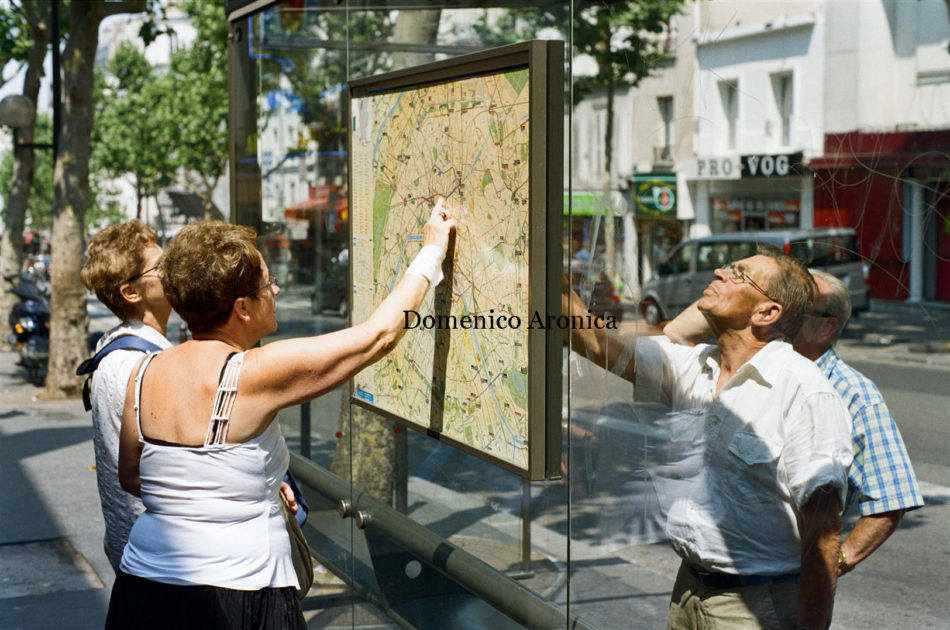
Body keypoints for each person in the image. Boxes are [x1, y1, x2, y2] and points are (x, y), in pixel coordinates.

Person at [105, 201, 456, 629]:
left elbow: (132, 476)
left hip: (143, 587)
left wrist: (237, 482)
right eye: (267, 285)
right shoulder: (248, 373)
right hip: (236, 593)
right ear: (242, 308)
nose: (275, 292)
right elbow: (377, 337)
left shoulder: (142, 371)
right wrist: (432, 250)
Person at [567, 245, 852, 630]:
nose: (719, 271)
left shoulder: (802, 389)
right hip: (689, 590)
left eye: (739, 274)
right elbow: (597, 344)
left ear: (766, 313)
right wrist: (544, 261)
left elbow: (823, 533)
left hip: (755, 605)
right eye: (728, 266)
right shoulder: (695, 366)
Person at [792, 269, 923, 576]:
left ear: (826, 327)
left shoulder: (851, 391)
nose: (778, 314)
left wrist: (833, 564)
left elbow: (892, 498)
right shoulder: (764, 370)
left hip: (783, 589)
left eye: (795, 308)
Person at [79, 220, 173, 572]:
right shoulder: (138, 363)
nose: (172, 271)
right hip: (156, 558)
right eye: (161, 267)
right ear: (131, 293)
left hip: (136, 548)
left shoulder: (119, 346)